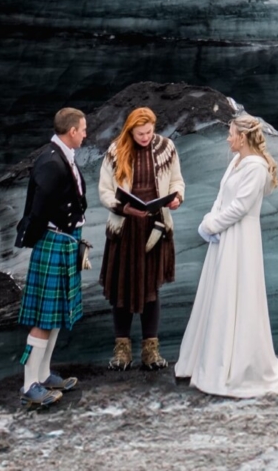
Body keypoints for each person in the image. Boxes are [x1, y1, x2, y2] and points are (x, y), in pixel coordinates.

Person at [173, 114, 278, 397]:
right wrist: (209, 219)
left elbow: (240, 207)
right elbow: (222, 198)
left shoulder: (256, 167)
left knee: (237, 293)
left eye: (231, 134)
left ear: (243, 136)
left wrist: (212, 224)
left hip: (241, 237)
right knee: (220, 293)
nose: (228, 138)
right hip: (225, 236)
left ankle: (235, 365)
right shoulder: (236, 162)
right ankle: (209, 362)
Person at [97, 106, 186, 370]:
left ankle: (151, 352)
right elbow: (104, 191)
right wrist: (122, 207)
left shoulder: (167, 147)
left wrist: (177, 196)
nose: (145, 137)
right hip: (124, 229)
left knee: (151, 289)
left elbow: (177, 181)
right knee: (120, 290)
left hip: (155, 228)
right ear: (130, 131)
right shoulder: (115, 151)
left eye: (148, 132)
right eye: (140, 133)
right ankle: (122, 351)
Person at [15, 106, 88, 407]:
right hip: (54, 241)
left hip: (67, 239)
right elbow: (38, 210)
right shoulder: (51, 161)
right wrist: (34, 239)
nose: (86, 134)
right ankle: (28, 384)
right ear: (71, 131)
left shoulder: (63, 157)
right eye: (83, 129)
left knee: (55, 313)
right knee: (43, 318)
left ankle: (43, 374)